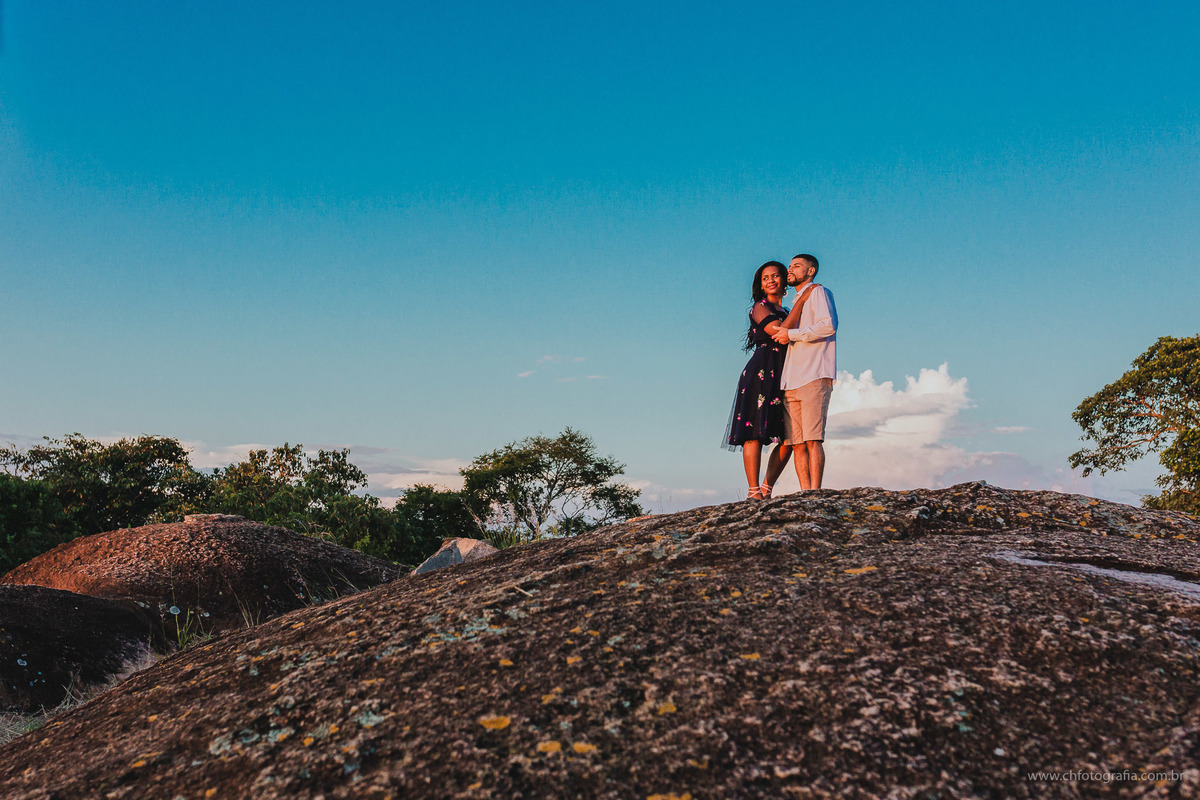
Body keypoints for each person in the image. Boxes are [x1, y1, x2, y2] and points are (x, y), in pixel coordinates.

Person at [723, 260, 815, 499]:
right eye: (766, 278)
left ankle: (767, 487)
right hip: (761, 373)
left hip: (787, 374)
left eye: (775, 276)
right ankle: (753, 491)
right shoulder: (759, 307)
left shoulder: (787, 310)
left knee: (790, 438)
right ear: (761, 285)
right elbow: (780, 331)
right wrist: (802, 301)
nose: (771, 280)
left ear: (783, 280)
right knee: (752, 433)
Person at [763, 253, 838, 491]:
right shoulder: (794, 303)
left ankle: (814, 492)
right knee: (796, 442)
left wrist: (792, 334)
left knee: (813, 439)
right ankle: (805, 492)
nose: (790, 269)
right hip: (790, 380)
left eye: (796, 266)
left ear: (811, 270)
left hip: (814, 374)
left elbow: (828, 325)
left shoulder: (819, 292)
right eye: (790, 266)